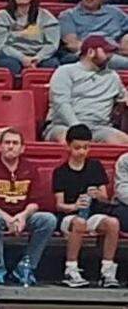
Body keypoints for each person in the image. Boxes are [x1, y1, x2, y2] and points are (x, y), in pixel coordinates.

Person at [0, 128, 57, 287]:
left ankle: (26, 267)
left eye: (15, 143)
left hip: (22, 215)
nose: (10, 146)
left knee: (48, 220)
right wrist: (7, 218)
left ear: (22, 148)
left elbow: (35, 201)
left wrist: (23, 216)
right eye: (7, 143)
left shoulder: (30, 168)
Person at [52, 123, 122, 287]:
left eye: (86, 147)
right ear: (68, 146)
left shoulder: (95, 167)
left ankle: (107, 270)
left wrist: (98, 195)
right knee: (79, 223)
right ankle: (71, 269)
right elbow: (59, 205)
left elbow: (106, 198)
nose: (82, 152)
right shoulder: (60, 172)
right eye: (77, 148)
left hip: (93, 214)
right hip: (69, 216)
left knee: (113, 223)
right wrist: (75, 206)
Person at [46, 34, 128, 142]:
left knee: (122, 141)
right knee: (67, 140)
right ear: (90, 52)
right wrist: (77, 128)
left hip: (99, 128)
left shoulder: (113, 77)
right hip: (65, 125)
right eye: (106, 51)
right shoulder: (65, 71)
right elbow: (61, 103)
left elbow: (123, 98)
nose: (110, 56)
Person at [0, 0, 61, 76]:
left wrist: (37, 58)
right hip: (12, 56)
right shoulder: (3, 15)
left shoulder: (45, 16)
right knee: (10, 65)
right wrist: (22, 58)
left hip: (39, 56)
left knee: (52, 64)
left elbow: (52, 44)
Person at [58, 0, 128, 66]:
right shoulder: (68, 15)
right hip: (86, 55)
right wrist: (102, 51)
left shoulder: (115, 13)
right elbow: (72, 45)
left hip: (115, 53)